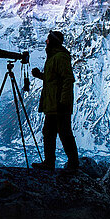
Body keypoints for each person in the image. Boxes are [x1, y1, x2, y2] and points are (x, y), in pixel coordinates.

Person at [31, 30, 79, 171]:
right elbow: (53, 78)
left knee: (64, 133)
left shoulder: (60, 57)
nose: (46, 42)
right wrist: (40, 75)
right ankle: (49, 162)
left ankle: (73, 164)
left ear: (52, 41)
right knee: (49, 132)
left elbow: (67, 78)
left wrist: (63, 101)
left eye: (47, 40)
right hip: (52, 103)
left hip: (59, 103)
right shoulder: (53, 57)